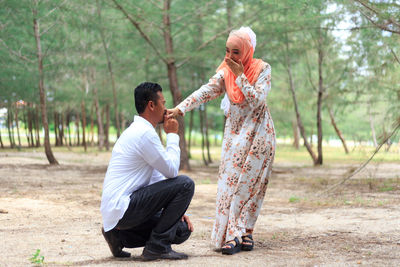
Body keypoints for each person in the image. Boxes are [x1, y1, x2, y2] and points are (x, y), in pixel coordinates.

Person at [168, 26, 275, 255]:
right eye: (227, 51)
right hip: (234, 136)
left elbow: (256, 100)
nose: (230, 57)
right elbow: (206, 91)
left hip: (258, 134)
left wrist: (240, 76)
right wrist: (180, 108)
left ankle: (245, 231)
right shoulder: (226, 71)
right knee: (230, 185)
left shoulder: (263, 69)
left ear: (247, 51)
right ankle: (232, 234)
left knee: (250, 185)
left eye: (236, 52)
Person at [100, 82, 195, 261]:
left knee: (181, 230)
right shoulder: (144, 134)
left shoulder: (139, 131)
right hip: (124, 207)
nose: (166, 109)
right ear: (152, 105)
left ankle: (117, 236)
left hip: (118, 212)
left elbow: (158, 177)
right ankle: (157, 247)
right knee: (185, 184)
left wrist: (176, 211)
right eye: (163, 103)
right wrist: (173, 135)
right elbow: (172, 172)